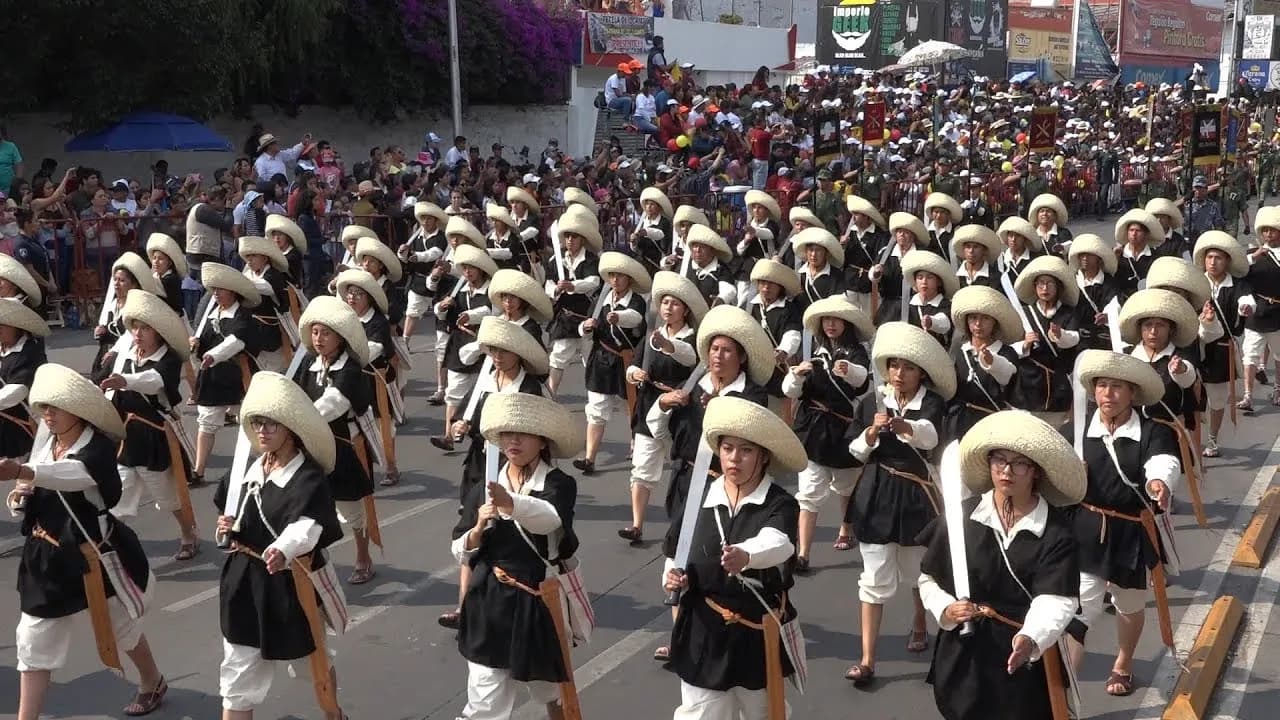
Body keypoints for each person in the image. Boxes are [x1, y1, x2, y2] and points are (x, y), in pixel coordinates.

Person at [3, 363, 167, 718]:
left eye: (54, 408)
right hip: (46, 558)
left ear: (77, 411)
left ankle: (152, 680)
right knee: (33, 639)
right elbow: (33, 489)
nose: (46, 415)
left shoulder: (97, 450)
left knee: (122, 630)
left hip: (92, 556)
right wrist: (19, 496)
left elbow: (72, 476)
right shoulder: (47, 440)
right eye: (43, 407)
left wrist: (23, 471)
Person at [919, 411, 1084, 720]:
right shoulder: (962, 517)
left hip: (1022, 652)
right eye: (999, 460)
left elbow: (1057, 599)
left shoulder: (1056, 531)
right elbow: (929, 578)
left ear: (1035, 471)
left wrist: (1030, 637)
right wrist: (945, 609)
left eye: (1019, 463)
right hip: (965, 648)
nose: (1007, 470)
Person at [213, 371, 347, 720]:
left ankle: (335, 715)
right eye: (258, 422)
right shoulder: (245, 469)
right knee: (238, 676)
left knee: (311, 665)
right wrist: (226, 527)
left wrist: (282, 549)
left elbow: (307, 528)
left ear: (290, 428)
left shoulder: (308, 478)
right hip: (243, 582)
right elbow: (231, 518)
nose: (262, 430)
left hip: (289, 584)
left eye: (272, 423)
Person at [663, 396, 807, 719]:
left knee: (765, 713)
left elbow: (780, 543)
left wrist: (746, 555)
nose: (734, 458)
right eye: (728, 448)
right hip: (704, 633)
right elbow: (676, 554)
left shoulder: (779, 503)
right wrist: (673, 578)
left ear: (764, 456)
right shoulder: (699, 496)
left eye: (746, 450)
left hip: (756, 635)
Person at [650, 304, 775, 662]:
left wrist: (717, 406)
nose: (718, 357)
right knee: (678, 556)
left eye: (727, 351)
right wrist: (662, 403)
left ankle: (730, 634)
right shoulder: (693, 383)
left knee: (720, 563)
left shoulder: (751, 395)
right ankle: (679, 638)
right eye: (714, 350)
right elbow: (656, 428)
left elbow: (753, 442)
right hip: (689, 480)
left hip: (727, 486)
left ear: (741, 357)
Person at [451, 392, 584, 720]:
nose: (513, 440)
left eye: (522, 434)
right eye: (507, 434)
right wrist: (478, 529)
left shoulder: (558, 483)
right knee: (484, 700)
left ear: (542, 441)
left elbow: (550, 518)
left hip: (536, 600)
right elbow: (459, 547)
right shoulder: (485, 485)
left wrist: (510, 503)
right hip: (489, 599)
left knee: (551, 692)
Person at [843, 322, 957, 688]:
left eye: (907, 367)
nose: (899, 373)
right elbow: (855, 451)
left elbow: (932, 438)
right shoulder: (872, 401)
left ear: (921, 372)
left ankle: (922, 622)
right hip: (876, 494)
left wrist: (906, 428)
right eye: (894, 366)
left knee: (920, 572)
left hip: (915, 495)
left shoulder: (933, 403)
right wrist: (872, 432)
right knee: (873, 577)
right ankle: (866, 659)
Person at [1067, 350, 1180, 699]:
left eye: (1117, 387)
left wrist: (1158, 483)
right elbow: (1050, 466)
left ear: (1132, 393)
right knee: (1075, 609)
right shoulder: (1077, 429)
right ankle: (1065, 684)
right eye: (1102, 385)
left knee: (1128, 605)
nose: (1107, 394)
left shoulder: (1151, 432)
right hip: (1086, 529)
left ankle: (1124, 661)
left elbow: (1164, 461)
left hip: (1131, 531)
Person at [438, 315, 549, 629]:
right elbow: (472, 413)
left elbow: (537, 431)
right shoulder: (487, 375)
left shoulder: (529, 387)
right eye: (493, 351)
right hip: (479, 461)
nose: (497, 357)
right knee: (472, 527)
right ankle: (464, 606)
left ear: (519, 354)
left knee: (508, 532)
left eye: (504, 351)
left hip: (513, 465)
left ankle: (520, 596)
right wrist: (461, 424)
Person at [99, 290, 199, 561]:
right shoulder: (127, 354)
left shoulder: (168, 359)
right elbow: (107, 383)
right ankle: (109, 545)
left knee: (167, 497)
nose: (138, 334)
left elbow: (155, 381)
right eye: (135, 327)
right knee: (118, 494)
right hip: (126, 436)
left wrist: (126, 381)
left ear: (158, 333)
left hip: (155, 436)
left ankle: (188, 532)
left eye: (145, 328)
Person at [292, 297, 379, 585]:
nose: (318, 339)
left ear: (340, 338)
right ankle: (310, 559)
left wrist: (297, 419)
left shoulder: (351, 369)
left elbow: (333, 405)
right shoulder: (307, 362)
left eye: (325, 333)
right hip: (310, 444)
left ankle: (363, 555)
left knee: (351, 509)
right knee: (304, 505)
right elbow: (295, 393)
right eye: (315, 332)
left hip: (343, 445)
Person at [785, 296, 872, 571]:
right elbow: (790, 391)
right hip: (812, 429)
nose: (831, 324)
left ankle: (846, 526)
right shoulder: (815, 351)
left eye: (836, 319)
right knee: (808, 492)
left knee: (846, 485)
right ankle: (803, 553)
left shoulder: (856, 352)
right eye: (826, 320)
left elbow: (862, 382)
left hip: (843, 429)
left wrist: (849, 371)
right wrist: (797, 375)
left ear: (846, 323)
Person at [621, 271, 706, 545]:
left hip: (682, 409)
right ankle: (636, 524)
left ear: (685, 310)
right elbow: (634, 363)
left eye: (675, 304)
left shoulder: (693, 338)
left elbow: (688, 356)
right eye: (665, 302)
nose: (669, 308)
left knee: (681, 466)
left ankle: (683, 524)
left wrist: (668, 345)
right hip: (649, 404)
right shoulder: (651, 336)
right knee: (642, 467)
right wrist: (634, 375)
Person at [575, 252, 650, 475]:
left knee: (633, 407)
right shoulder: (602, 299)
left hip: (627, 359)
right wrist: (585, 328)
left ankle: (636, 447)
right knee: (596, 409)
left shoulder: (636, 301)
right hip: (601, 359)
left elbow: (636, 318)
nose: (615, 280)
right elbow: (586, 327)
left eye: (620, 276)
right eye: (612, 275)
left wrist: (620, 318)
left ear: (629, 278)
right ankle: (590, 458)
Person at [191, 263, 263, 487]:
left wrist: (213, 355)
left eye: (220, 289)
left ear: (233, 291)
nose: (216, 294)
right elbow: (201, 342)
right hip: (212, 377)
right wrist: (195, 345)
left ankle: (265, 466)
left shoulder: (242, 316)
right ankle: (199, 470)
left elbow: (236, 341)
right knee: (206, 423)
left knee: (254, 422)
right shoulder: (210, 313)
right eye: (213, 290)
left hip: (239, 374)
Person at [335, 268, 402, 486]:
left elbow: (372, 350)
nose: (352, 298)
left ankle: (391, 466)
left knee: (385, 425)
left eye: (358, 294)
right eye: (349, 293)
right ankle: (363, 469)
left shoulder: (378, 322)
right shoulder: (344, 319)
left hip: (377, 379)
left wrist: (346, 357)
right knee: (357, 424)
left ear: (369, 297)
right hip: (354, 379)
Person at [431, 245, 499, 450]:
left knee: (487, 392)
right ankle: (449, 436)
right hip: (460, 343)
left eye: (472, 268)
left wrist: (472, 316)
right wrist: (442, 307)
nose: (468, 272)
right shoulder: (458, 290)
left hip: (486, 345)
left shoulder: (491, 290)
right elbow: (440, 313)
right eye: (465, 268)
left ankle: (487, 436)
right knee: (454, 391)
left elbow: (493, 311)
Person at [1192, 231, 1251, 456]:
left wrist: (1246, 307)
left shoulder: (1236, 285)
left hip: (1220, 351)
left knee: (1217, 399)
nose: (1213, 262)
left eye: (1218, 258)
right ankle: (1193, 437)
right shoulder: (1197, 283)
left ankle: (1212, 440)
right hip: (1195, 347)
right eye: (1209, 257)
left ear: (1227, 261)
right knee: (1192, 396)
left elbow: (1246, 300)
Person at [1010, 256, 1081, 426]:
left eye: (1050, 283)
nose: (1045, 288)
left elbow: (1074, 338)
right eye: (1040, 283)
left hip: (1058, 385)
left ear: (1058, 287)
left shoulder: (1068, 313)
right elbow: (1009, 347)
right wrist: (1025, 344)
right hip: (1028, 384)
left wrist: (1059, 335)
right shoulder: (1025, 313)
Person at [425, 217, 488, 405]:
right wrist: (435, 276)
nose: (454, 241)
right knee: (442, 348)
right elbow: (430, 285)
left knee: (475, 352)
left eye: (458, 237)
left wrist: (450, 269)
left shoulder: (474, 256)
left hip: (465, 306)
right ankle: (441, 389)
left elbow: (471, 275)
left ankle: (478, 394)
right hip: (445, 307)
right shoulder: (445, 255)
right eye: (451, 237)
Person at [542, 208, 603, 398]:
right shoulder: (556, 259)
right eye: (567, 236)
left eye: (574, 236)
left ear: (582, 239)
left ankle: (596, 396)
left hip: (587, 316)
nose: (570, 240)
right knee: (558, 357)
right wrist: (556, 290)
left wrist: (572, 286)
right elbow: (548, 284)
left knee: (590, 358)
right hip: (566, 317)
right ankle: (551, 396)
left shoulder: (591, 260)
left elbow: (593, 282)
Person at [948, 285, 1022, 436]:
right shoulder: (960, 351)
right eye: (973, 318)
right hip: (959, 423)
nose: (978, 324)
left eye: (985, 318)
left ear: (995, 322)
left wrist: (991, 361)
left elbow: (1007, 375)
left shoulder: (1006, 352)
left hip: (992, 424)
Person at [92, 252, 165, 377]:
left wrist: (115, 351)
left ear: (133, 285)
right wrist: (99, 330)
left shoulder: (138, 308)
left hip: (126, 352)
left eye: (122, 280)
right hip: (106, 352)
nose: (116, 283)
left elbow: (132, 335)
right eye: (115, 280)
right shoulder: (112, 304)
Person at [1238, 206, 1280, 414]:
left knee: (1279, 355)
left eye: (1273, 230)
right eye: (1265, 230)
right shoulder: (1251, 255)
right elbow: (1239, 271)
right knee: (1250, 355)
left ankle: (1278, 390)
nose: (1268, 234)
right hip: (1257, 311)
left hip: (1277, 313)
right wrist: (1254, 256)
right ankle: (1247, 395)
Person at [237, 236, 295, 373]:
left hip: (271, 337)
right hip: (252, 337)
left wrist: (236, 281)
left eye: (253, 256)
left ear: (264, 258)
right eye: (248, 256)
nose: (249, 260)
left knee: (276, 371)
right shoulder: (248, 274)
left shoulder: (273, 276)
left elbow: (263, 287)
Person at [0, 301, 49, 462]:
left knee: (27, 470)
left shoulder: (29, 352)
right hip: (6, 421)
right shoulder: (3, 348)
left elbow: (17, 391)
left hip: (26, 423)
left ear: (17, 327)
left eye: (3, 324)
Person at [399, 201, 450, 351]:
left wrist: (418, 256)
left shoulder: (441, 237)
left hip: (438, 280)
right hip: (419, 280)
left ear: (436, 220)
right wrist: (402, 253)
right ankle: (404, 342)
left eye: (429, 218)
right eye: (423, 218)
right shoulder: (416, 237)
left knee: (441, 312)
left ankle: (443, 343)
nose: (426, 222)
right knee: (412, 312)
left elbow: (434, 253)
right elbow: (406, 257)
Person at [870, 213, 928, 324]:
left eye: (906, 232)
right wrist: (876, 273)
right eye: (899, 232)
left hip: (914, 305)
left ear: (913, 235)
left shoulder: (922, 254)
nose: (902, 235)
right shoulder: (885, 252)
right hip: (889, 305)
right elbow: (873, 276)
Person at [1068, 234, 1121, 351]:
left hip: (1103, 335)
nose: (1085, 258)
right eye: (1082, 255)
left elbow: (1114, 303)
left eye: (1089, 255)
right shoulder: (1073, 281)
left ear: (1098, 258)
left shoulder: (1108, 281)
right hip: (1079, 335)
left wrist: (1107, 316)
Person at [840, 195, 888, 312]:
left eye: (857, 214)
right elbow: (842, 259)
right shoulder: (849, 233)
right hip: (850, 281)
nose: (853, 218)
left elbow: (881, 257)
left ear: (866, 216)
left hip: (869, 283)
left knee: (868, 318)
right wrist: (842, 246)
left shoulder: (879, 235)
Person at [902, 251, 959, 348]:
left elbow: (944, 323)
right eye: (920, 277)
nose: (924, 282)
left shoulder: (946, 305)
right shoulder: (905, 305)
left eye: (930, 277)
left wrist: (931, 322)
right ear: (915, 282)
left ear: (939, 282)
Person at [1113, 209, 1166, 301]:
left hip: (1148, 300)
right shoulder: (1117, 254)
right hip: (1122, 300)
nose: (1134, 234)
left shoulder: (1155, 257)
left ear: (1146, 234)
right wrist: (1114, 259)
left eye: (1138, 231)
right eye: (1131, 230)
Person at [791, 227, 847, 310]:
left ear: (826, 253)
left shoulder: (837, 276)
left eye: (818, 250)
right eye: (811, 250)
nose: (813, 254)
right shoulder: (799, 275)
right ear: (806, 251)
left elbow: (838, 305)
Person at [265, 214, 307, 305]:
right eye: (274, 235)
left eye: (279, 235)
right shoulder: (273, 253)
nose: (277, 238)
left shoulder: (294, 255)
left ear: (287, 237)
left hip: (290, 296)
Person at [146, 233, 189, 318]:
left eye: (160, 259)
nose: (156, 261)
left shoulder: (171, 279)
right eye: (154, 258)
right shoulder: (155, 277)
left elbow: (175, 305)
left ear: (169, 263)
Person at [952, 225, 1002, 290]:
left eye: (976, 247)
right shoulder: (955, 279)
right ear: (963, 249)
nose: (971, 251)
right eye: (968, 246)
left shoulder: (996, 277)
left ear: (984, 250)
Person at [996, 216, 1043, 286]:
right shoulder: (1000, 260)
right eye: (1011, 235)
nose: (1013, 239)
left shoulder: (1035, 259)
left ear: (1024, 239)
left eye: (1018, 236)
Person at [1027, 194, 1073, 258]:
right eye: (1041, 211)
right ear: (1037, 216)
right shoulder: (1033, 235)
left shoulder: (1064, 233)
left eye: (1048, 211)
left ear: (1055, 216)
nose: (1044, 214)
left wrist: (1061, 247)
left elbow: (1069, 246)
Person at [923, 193, 961, 263]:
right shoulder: (927, 233)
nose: (939, 215)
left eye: (942, 212)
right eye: (936, 212)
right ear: (932, 213)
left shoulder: (957, 231)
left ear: (948, 214)